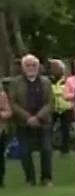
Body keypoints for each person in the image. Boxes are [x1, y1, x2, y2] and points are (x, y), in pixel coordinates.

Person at [9, 55, 56, 186]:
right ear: (23, 68)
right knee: (24, 151)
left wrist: (38, 117)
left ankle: (46, 178)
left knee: (46, 150)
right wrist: (28, 118)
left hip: (43, 122)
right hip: (23, 123)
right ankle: (30, 179)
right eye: (27, 65)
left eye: (33, 65)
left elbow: (50, 102)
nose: (31, 68)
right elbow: (13, 103)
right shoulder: (15, 83)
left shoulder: (45, 82)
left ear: (38, 66)